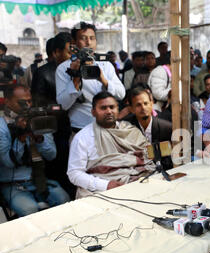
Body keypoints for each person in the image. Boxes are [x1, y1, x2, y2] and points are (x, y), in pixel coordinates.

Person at [67, 91, 155, 199]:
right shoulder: (82, 138)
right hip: (102, 192)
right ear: (93, 112)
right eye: (103, 108)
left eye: (112, 107)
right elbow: (74, 173)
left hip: (137, 183)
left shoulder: (130, 131)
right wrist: (106, 185)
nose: (109, 111)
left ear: (118, 109)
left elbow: (149, 159)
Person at [0, 85, 70, 216]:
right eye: (21, 102)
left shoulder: (37, 119)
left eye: (29, 101)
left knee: (64, 200)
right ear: (7, 102)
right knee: (30, 210)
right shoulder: (2, 127)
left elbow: (51, 155)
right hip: (13, 185)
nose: (27, 105)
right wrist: (21, 137)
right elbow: (8, 162)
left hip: (39, 181)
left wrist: (39, 139)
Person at [56, 22, 125, 133]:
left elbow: (121, 94)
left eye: (92, 38)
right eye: (83, 38)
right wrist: (76, 78)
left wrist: (103, 80)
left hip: (108, 127)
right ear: (74, 42)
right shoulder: (63, 68)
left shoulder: (105, 65)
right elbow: (63, 105)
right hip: (80, 129)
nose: (88, 42)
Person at [31, 32, 75, 199]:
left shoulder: (74, 70)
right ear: (56, 52)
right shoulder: (43, 73)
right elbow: (38, 105)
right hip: (55, 129)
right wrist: (60, 108)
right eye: (69, 51)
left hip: (73, 126)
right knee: (59, 167)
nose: (73, 56)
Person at [123, 86, 173, 171]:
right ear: (131, 109)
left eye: (146, 103)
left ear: (152, 103)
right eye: (138, 105)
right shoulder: (125, 127)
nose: (143, 108)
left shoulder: (167, 128)